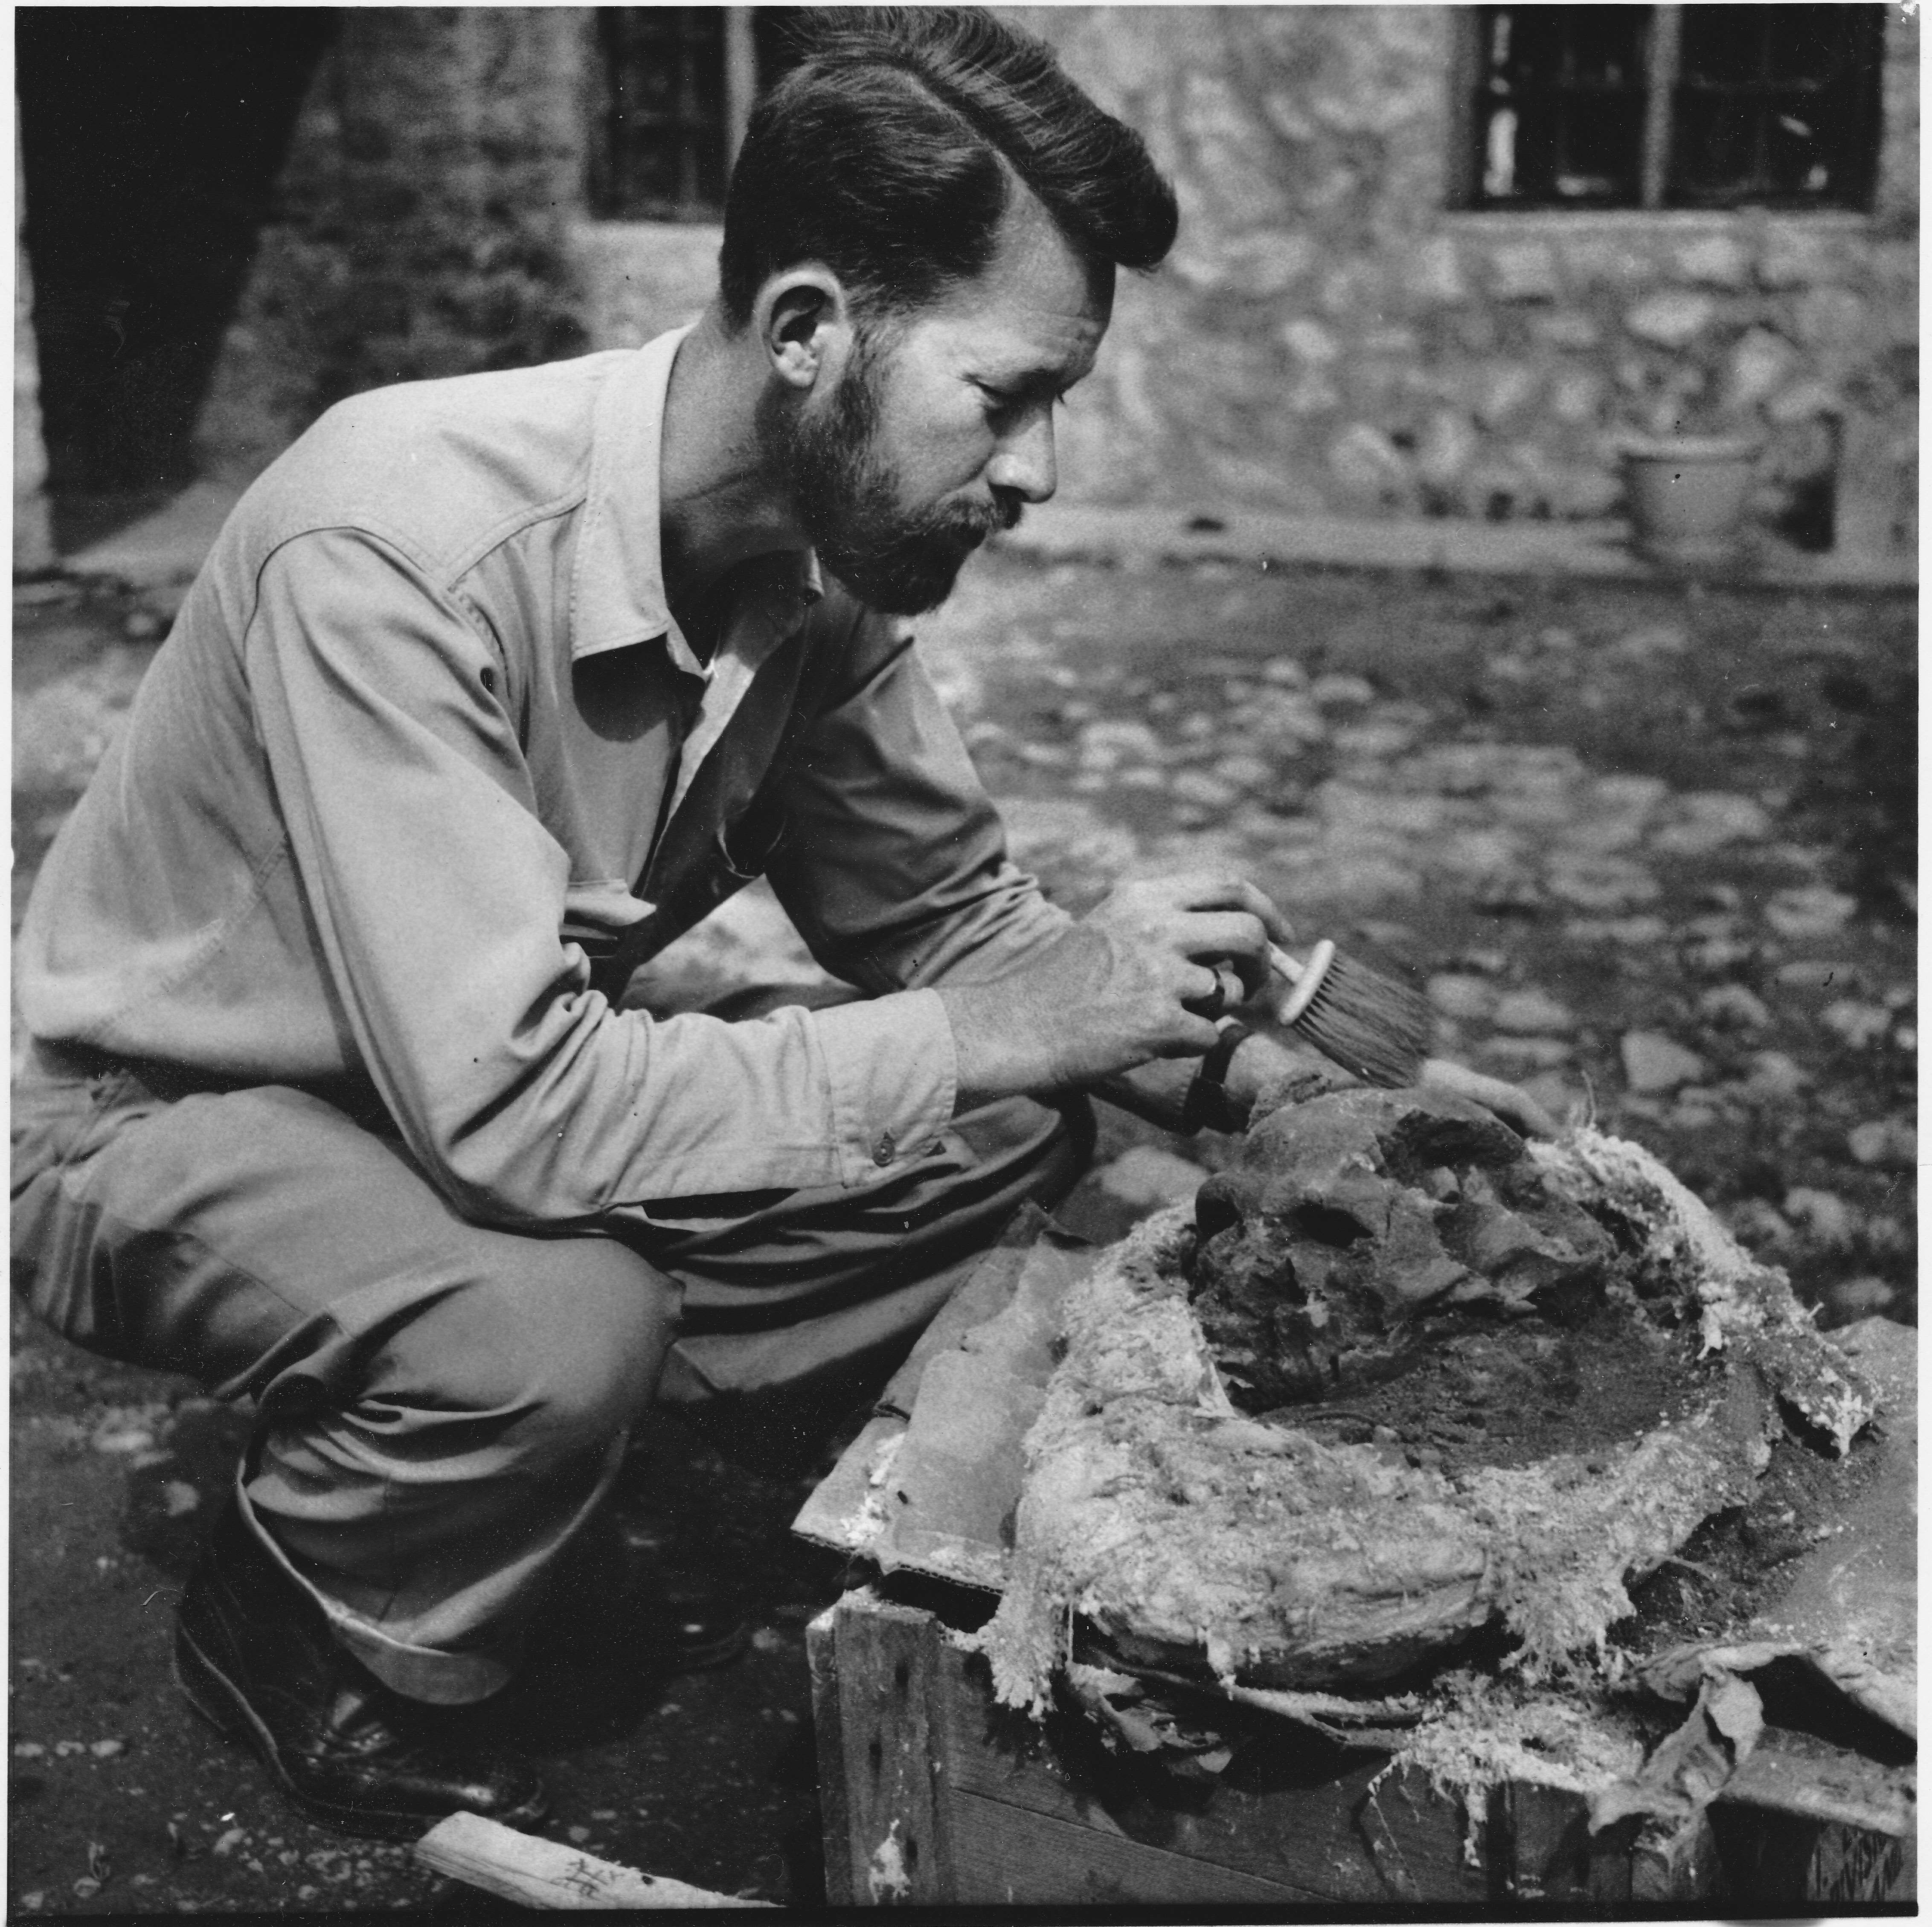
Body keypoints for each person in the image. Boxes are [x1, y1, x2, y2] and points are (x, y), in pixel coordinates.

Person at [11, 8, 1547, 1840]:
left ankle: (539, 1393)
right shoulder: (396, 546)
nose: (1036, 475)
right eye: (1006, 398)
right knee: (552, 1323)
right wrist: (1012, 1019)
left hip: (459, 1095)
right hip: (167, 1119)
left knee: (1008, 1123)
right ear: (811, 331)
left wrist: (1285, 1093)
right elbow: (513, 1107)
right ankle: (310, 1602)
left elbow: (953, 919)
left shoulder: (813, 568)